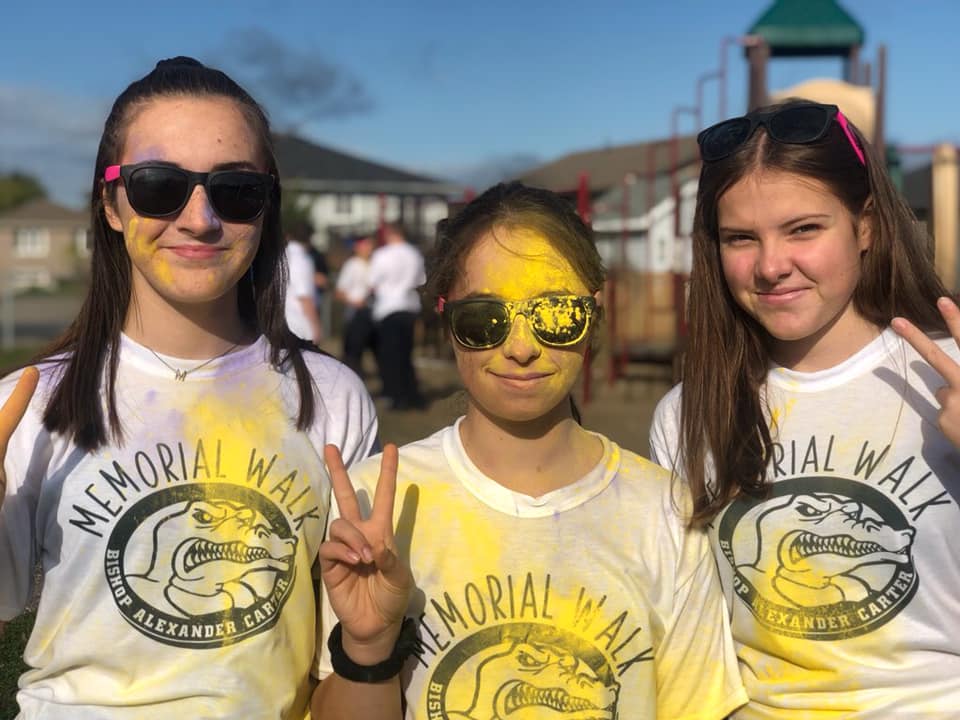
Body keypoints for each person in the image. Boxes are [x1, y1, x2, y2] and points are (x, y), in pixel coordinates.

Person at [0, 57, 387, 719]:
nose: (200, 218)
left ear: (266, 208)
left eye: (235, 191)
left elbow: (353, 672)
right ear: (112, 204)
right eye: (159, 186)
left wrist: (371, 640)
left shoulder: (333, 397)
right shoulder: (30, 404)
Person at [315, 182, 748, 718]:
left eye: (557, 315)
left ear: (592, 317)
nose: (522, 348)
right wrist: (367, 650)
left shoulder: (665, 511)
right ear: (446, 321)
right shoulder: (374, 505)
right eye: (484, 321)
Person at [650, 99, 960, 717]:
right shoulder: (686, 413)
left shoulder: (947, 376)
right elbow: (688, 632)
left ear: (865, 225)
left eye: (803, 229)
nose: (770, 266)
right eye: (741, 238)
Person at [368, 223, 426, 410]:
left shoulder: (382, 255)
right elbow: (421, 280)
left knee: (390, 355)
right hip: (408, 307)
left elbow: (372, 282)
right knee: (406, 353)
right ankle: (412, 394)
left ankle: (395, 395)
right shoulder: (414, 254)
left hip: (388, 308)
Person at [335, 234, 375, 376]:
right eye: (366, 244)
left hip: (373, 312)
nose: (370, 248)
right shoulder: (351, 265)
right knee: (353, 350)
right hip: (356, 313)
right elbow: (339, 292)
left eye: (371, 244)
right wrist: (355, 301)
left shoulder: (375, 263)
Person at [284, 221, 324, 345]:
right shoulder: (302, 259)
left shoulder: (282, 255)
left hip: (282, 322)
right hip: (300, 326)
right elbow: (304, 296)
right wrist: (316, 327)